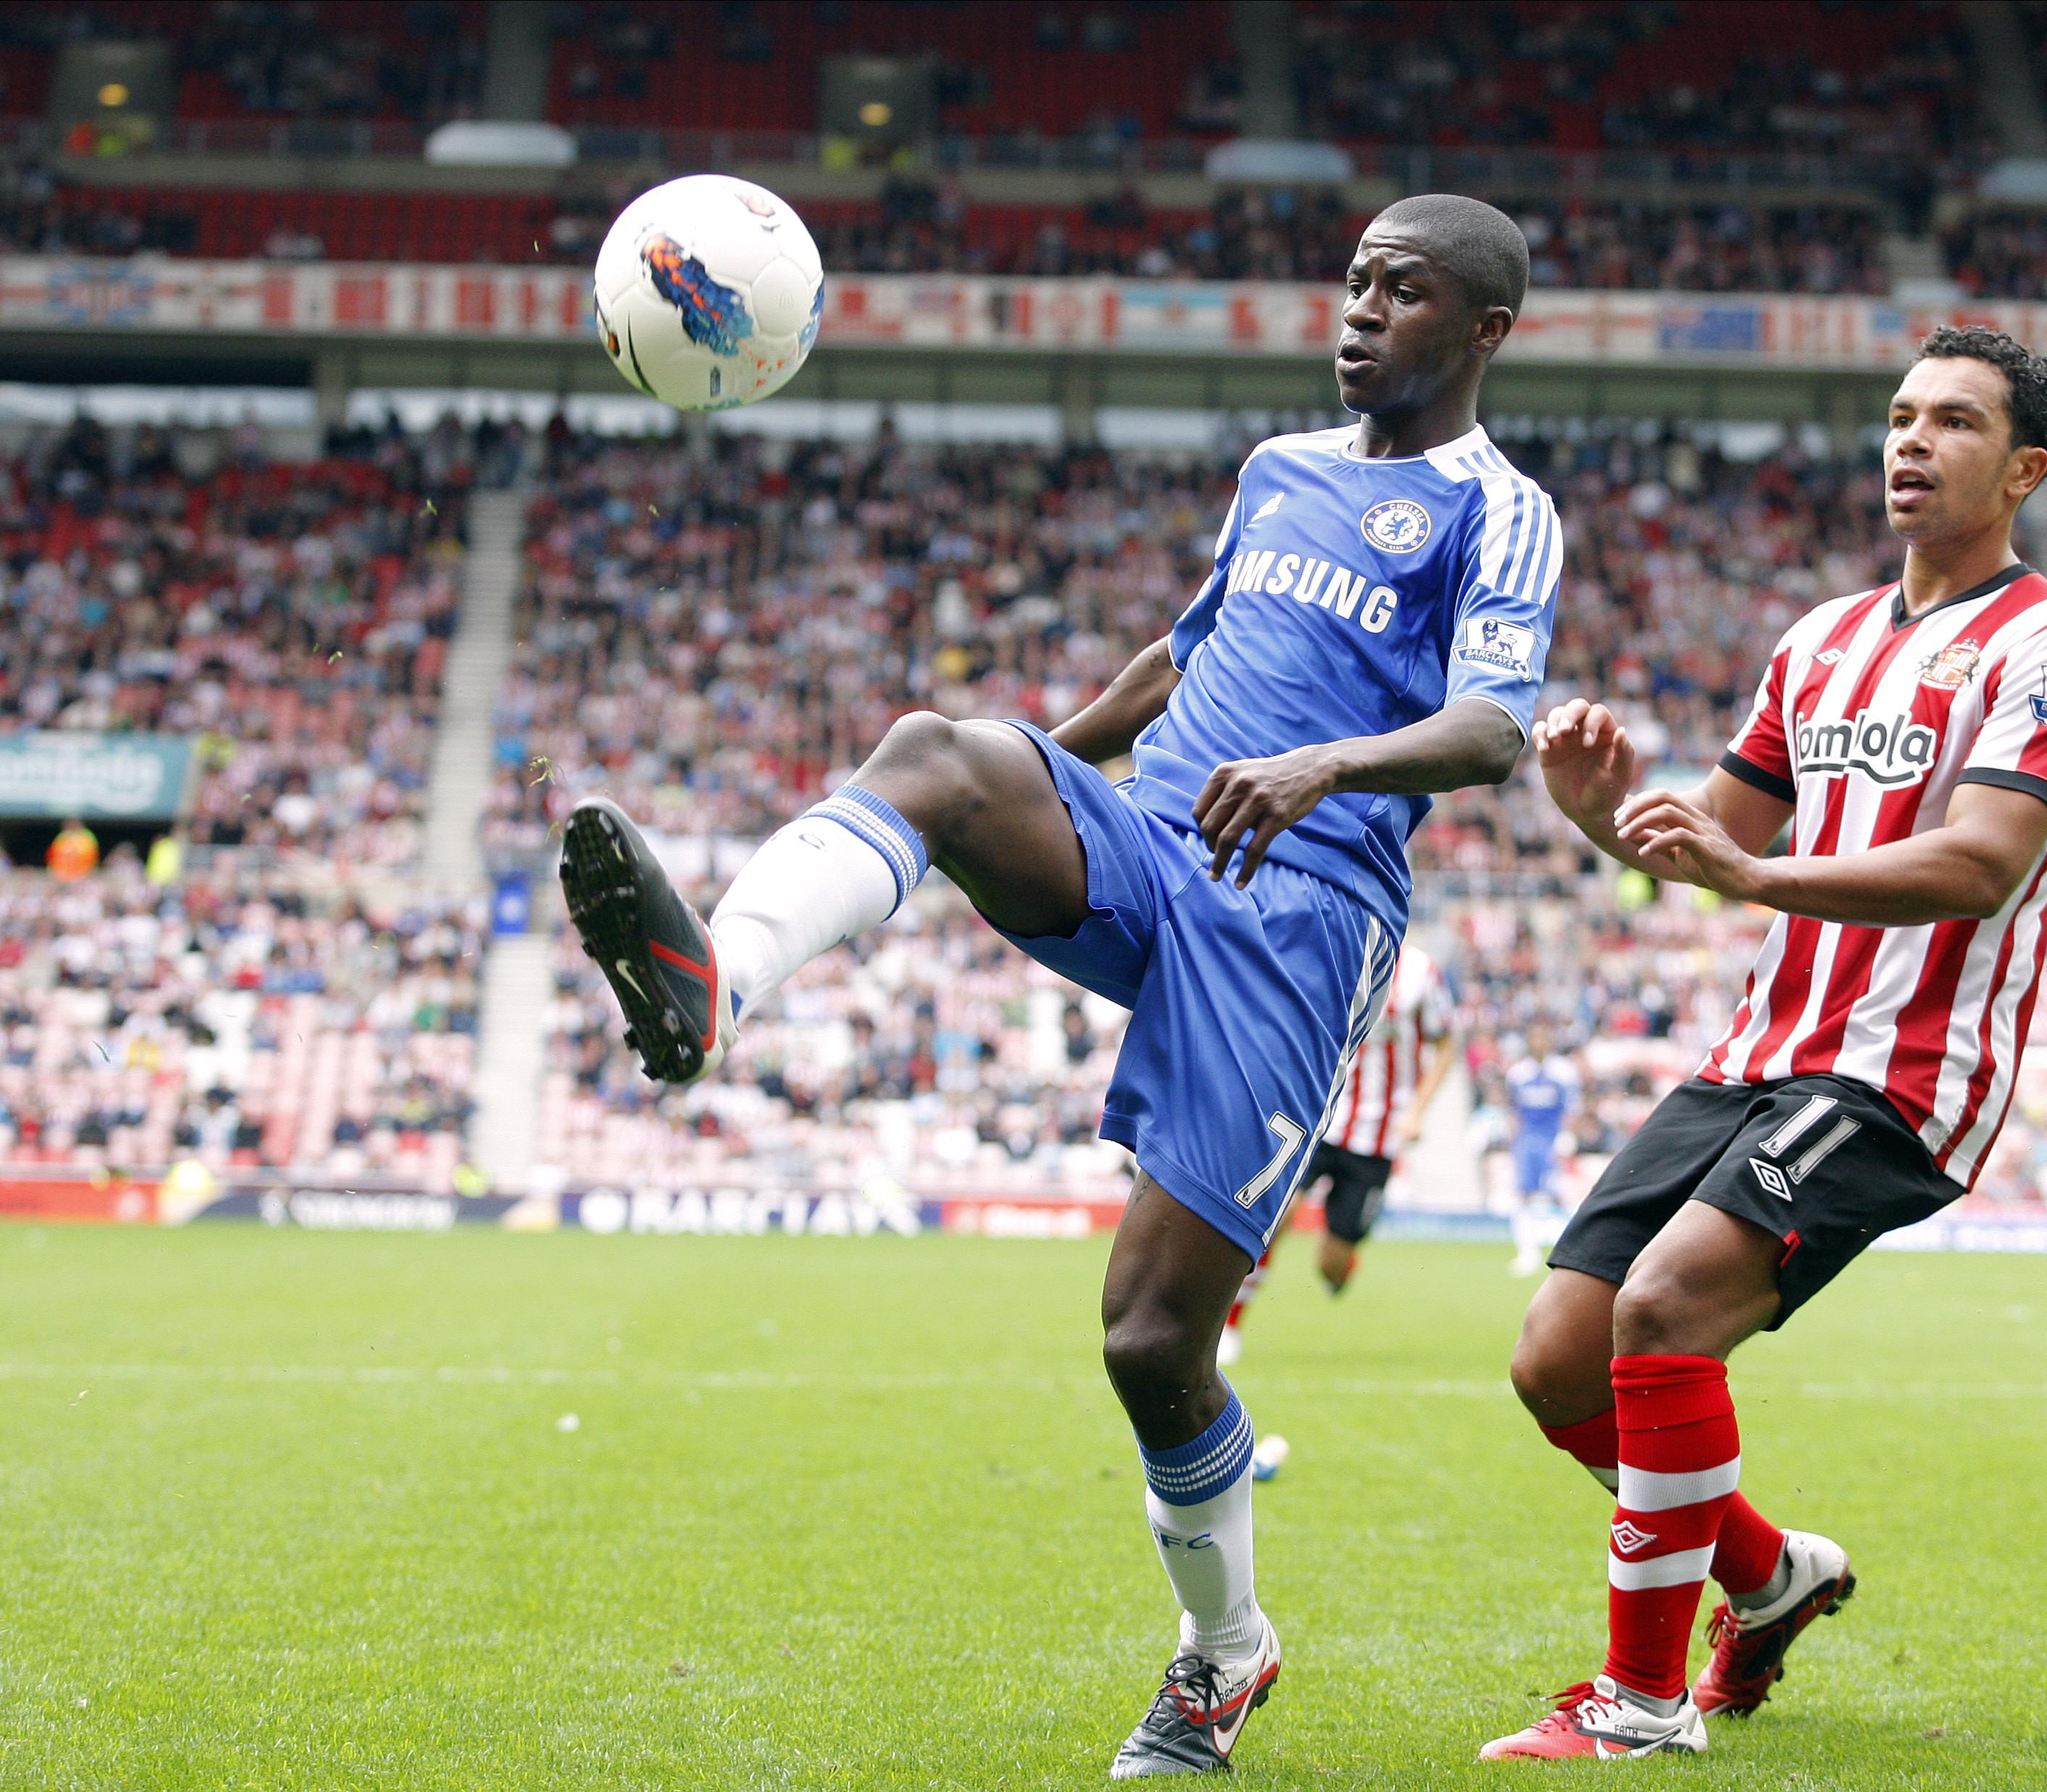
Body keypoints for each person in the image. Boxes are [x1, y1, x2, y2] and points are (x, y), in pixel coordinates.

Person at [559, 193, 1562, 1778]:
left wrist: (1328, 764)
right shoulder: (1279, 473)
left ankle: (1226, 1653)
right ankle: (715, 987)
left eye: (1404, 293)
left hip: (1303, 909)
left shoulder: (1495, 510)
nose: (1361, 312)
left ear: (1485, 329)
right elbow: (1183, 656)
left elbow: (1499, 726)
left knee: (1152, 1337)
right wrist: (1031, 771)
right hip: (1161, 834)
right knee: (936, 752)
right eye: (1353, 284)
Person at [1481, 325, 2047, 1762]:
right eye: (1899, 416)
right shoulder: (1817, 639)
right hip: (1760, 1049)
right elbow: (1714, 843)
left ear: (2022, 469)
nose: (1909, 441)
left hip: (1902, 1069)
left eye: (1951, 422)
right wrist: (1605, 818)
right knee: (1558, 1359)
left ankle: (1639, 1700)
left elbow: (1980, 864)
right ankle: (1769, 1576)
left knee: (1662, 1307)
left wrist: (1750, 877)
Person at [1217, 937, 1458, 1368]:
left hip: (1378, 1139)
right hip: (1319, 1121)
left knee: (1331, 1265)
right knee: (1277, 1216)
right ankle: (1230, 1324)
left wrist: (1418, 1109)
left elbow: (1446, 1043)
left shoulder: (1422, 972)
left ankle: (1340, 1268)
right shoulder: (1333, 948)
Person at [1503, 1023, 1582, 1275]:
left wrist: (1567, 1136)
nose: (1538, 1042)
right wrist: (1513, 1141)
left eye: (1542, 1037)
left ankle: (1571, 1252)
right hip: (1527, 1140)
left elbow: (1572, 1107)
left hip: (1552, 1138)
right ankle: (1527, 1253)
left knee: (1560, 1194)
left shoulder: (1564, 1072)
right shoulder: (1518, 1073)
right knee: (1523, 1195)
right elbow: (1513, 1109)